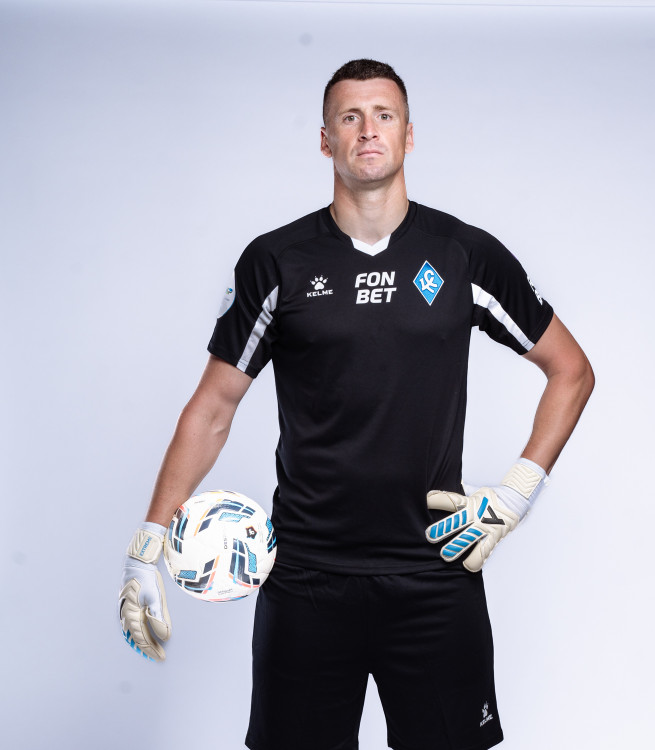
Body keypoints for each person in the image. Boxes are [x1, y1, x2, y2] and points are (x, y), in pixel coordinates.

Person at [119, 59, 594, 750]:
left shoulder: (463, 255)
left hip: (435, 575)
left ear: (408, 135)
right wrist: (148, 543)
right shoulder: (276, 261)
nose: (368, 130)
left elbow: (571, 371)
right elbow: (213, 408)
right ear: (325, 140)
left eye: (384, 115)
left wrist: (518, 491)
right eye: (350, 117)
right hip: (305, 579)